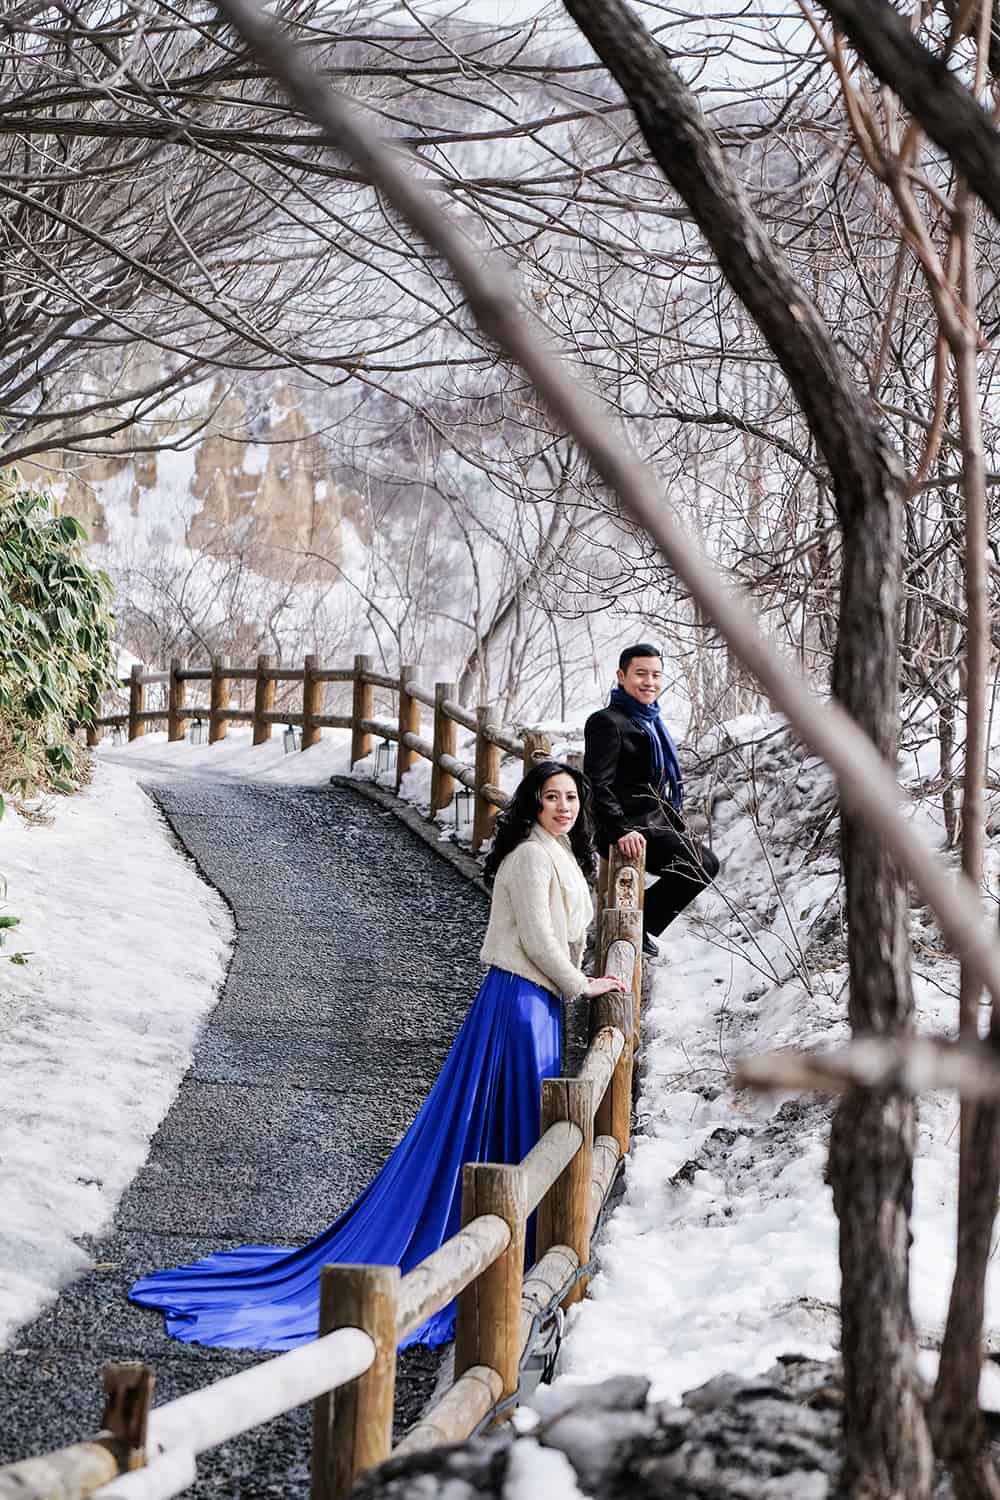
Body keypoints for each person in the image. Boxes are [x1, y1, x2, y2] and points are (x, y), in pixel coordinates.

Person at [128, 761, 623, 1351]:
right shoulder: (531, 858)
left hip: (540, 1003)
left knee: (520, 1122)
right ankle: (495, 1249)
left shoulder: (560, 853)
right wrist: (582, 985)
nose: (563, 807)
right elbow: (539, 940)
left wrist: (574, 983)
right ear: (533, 802)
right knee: (510, 1119)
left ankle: (520, 1242)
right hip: (519, 1001)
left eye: (571, 797)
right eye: (552, 797)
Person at [584, 643, 719, 958]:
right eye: (641, 674)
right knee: (701, 864)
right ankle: (634, 924)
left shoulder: (650, 720)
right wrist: (620, 830)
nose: (649, 682)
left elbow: (654, 781)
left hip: (652, 822)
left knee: (706, 863)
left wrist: (673, 819)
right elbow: (596, 784)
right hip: (626, 827)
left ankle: (638, 922)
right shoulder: (607, 722)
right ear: (621, 676)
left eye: (656, 675)